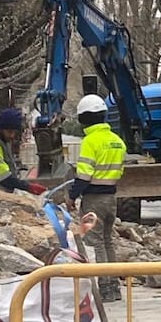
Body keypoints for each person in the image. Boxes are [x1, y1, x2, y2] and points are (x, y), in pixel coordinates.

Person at [70, 94, 127, 302]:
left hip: (94, 198)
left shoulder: (90, 141)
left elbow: (84, 176)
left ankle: (105, 288)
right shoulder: (117, 141)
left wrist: (72, 196)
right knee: (107, 240)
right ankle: (114, 286)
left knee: (95, 243)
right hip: (111, 198)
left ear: (83, 119)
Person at [0, 108, 47, 193]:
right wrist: (28, 187)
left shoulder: (1, 140)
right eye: (9, 132)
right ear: (1, 128)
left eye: (14, 132)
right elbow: (4, 177)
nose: (12, 136)